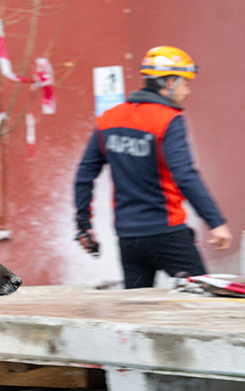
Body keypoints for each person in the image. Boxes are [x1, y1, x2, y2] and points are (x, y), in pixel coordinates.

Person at [74, 45, 232, 288]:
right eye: (185, 83)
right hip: (167, 234)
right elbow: (185, 174)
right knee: (203, 302)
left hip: (128, 239)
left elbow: (84, 174)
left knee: (137, 315)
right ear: (168, 82)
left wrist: (84, 226)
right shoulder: (168, 119)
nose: (188, 91)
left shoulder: (109, 118)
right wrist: (215, 222)